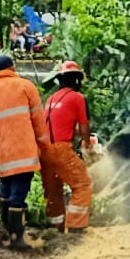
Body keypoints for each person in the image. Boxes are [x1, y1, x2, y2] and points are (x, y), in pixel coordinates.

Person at [0, 53, 48, 250]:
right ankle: (17, 237)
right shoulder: (25, 86)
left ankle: (7, 230)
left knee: (6, 189)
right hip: (22, 149)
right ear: (12, 68)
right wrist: (44, 145)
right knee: (19, 191)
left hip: (0, 152)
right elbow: (38, 121)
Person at [39, 60, 93, 234]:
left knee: (53, 191)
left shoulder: (50, 99)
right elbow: (84, 128)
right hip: (61, 150)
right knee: (82, 184)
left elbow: (60, 126)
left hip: (43, 151)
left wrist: (78, 134)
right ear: (77, 80)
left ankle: (56, 227)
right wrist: (87, 143)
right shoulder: (77, 98)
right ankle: (76, 226)